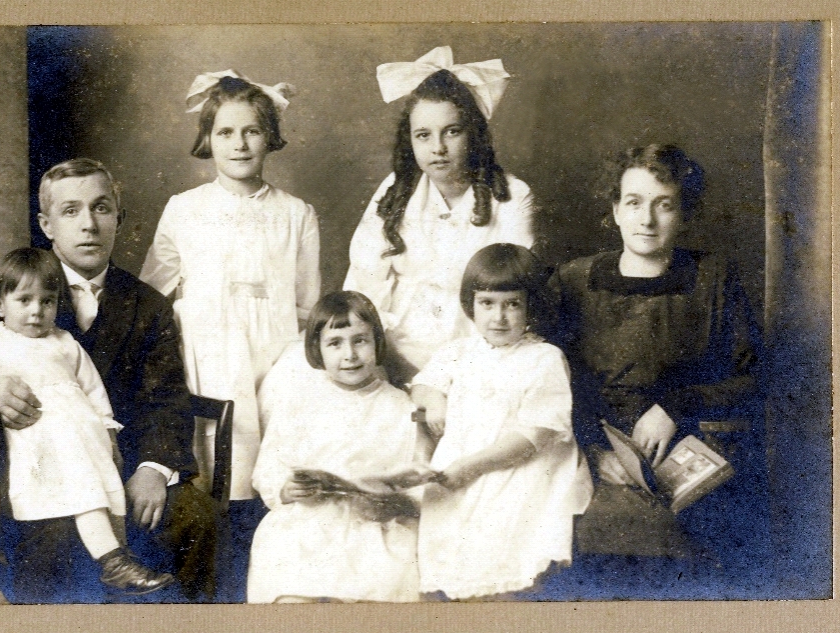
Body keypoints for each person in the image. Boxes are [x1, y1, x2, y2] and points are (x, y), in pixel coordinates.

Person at [0, 158, 216, 603]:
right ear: (47, 224)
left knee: (195, 516)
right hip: (28, 466)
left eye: (101, 208)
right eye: (71, 211)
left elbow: (167, 401)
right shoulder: (11, 285)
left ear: (119, 219)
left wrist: (153, 469)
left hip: (120, 466)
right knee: (52, 536)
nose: (89, 225)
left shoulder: (147, 305)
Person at [546, 144, 765, 592]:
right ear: (616, 209)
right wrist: (595, 451)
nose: (647, 220)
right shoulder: (572, 280)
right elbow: (547, 382)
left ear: (683, 212)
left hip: (690, 453)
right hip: (597, 458)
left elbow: (755, 377)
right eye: (634, 202)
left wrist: (675, 405)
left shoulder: (714, 278)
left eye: (664, 205)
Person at [138, 72, 320, 602]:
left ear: (270, 138)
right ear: (208, 139)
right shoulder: (184, 209)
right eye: (225, 132)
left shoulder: (296, 214)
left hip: (273, 358)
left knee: (261, 489)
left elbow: (307, 306)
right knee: (212, 487)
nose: (239, 144)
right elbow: (152, 296)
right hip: (209, 358)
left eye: (252, 131)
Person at [0, 247, 174, 595]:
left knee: (86, 491)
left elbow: (94, 392)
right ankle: (112, 560)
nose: (35, 311)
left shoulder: (66, 343)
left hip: (74, 452)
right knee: (79, 496)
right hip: (26, 455)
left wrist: (109, 435)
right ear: (1, 306)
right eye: (24, 300)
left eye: (47, 301)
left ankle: (114, 562)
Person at [391, 243, 591, 600]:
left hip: (518, 464)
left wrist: (470, 466)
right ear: (471, 304)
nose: (498, 317)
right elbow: (422, 385)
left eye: (512, 304)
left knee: (503, 546)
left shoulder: (543, 358)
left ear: (531, 305)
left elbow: (533, 437)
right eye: (487, 303)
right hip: (462, 466)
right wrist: (434, 399)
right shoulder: (459, 350)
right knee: (447, 544)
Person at [344, 46, 535, 386]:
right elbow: (364, 281)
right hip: (394, 348)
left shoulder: (511, 196)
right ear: (411, 140)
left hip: (475, 349)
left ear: (473, 133)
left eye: (452, 131)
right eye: (423, 135)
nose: (438, 148)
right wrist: (376, 356)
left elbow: (512, 290)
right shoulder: (396, 189)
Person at [247, 291, 421, 603]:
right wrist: (285, 488)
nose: (350, 354)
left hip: (375, 528)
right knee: (292, 587)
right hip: (307, 524)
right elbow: (268, 468)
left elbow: (418, 478)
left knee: (377, 589)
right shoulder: (298, 402)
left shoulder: (400, 406)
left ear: (378, 343)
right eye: (335, 343)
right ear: (317, 349)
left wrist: (392, 500)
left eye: (360, 340)